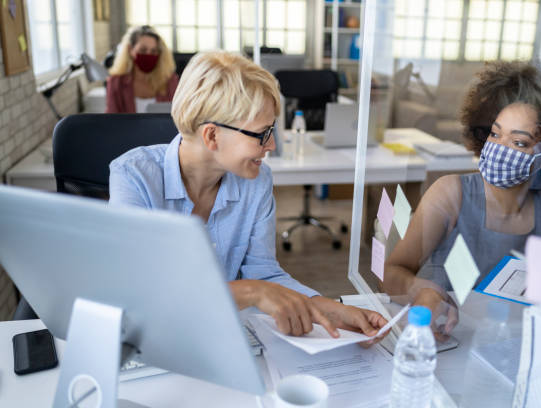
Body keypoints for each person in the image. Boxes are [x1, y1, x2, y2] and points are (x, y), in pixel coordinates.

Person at [109, 51, 388, 341]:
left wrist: (328, 309)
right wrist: (252, 291)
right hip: (153, 340)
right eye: (261, 133)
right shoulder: (133, 177)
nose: (272, 145)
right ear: (212, 136)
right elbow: (139, 292)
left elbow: (264, 273)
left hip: (223, 335)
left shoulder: (256, 181)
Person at [383, 61, 541, 336]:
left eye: (519, 142)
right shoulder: (450, 192)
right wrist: (420, 291)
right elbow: (392, 274)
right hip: (446, 338)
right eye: (495, 134)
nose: (500, 149)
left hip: (519, 340)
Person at [106, 25, 179, 113]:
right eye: (143, 50)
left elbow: (178, 115)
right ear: (130, 50)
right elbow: (110, 119)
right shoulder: (116, 82)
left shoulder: (170, 81)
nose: (148, 55)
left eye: (153, 51)